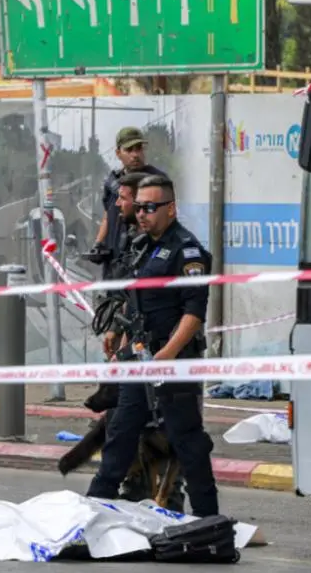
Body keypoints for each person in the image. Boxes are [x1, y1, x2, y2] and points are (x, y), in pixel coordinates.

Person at [87, 174, 218, 517]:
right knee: (119, 433)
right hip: (140, 359)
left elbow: (194, 313)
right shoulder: (143, 246)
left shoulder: (187, 252)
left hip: (172, 362)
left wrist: (167, 355)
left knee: (186, 441)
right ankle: (91, 510)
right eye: (139, 207)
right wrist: (120, 337)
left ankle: (208, 519)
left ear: (170, 209)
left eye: (150, 207)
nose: (141, 214)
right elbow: (137, 304)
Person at [86, 127, 167, 277]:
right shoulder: (112, 182)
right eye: (129, 150)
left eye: (139, 148)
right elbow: (108, 216)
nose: (135, 155)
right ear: (118, 153)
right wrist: (98, 244)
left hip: (144, 262)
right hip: (115, 262)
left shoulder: (157, 180)